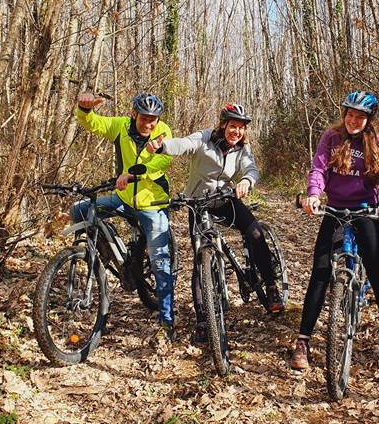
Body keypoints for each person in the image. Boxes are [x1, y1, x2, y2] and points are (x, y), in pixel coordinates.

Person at [146, 103, 284, 345]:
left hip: (226, 200)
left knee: (255, 234)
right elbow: (183, 144)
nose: (237, 132)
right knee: (201, 258)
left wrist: (247, 182)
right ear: (223, 125)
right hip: (198, 202)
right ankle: (202, 320)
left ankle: (271, 285)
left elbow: (251, 168)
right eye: (233, 126)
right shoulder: (205, 138)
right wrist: (162, 146)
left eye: (241, 128)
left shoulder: (243, 148)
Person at [290, 91, 379, 377]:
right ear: (344, 114)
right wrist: (314, 195)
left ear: (369, 119)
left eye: (360, 116)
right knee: (319, 271)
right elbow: (318, 169)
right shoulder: (331, 138)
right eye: (350, 114)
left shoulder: (378, 143)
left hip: (367, 211)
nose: (354, 120)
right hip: (335, 211)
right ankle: (302, 341)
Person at [71, 92, 176, 340]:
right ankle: (109, 254)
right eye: (144, 118)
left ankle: (167, 319)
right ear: (134, 114)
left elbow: (162, 163)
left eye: (153, 119)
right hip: (124, 197)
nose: (148, 124)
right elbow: (95, 124)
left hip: (152, 202)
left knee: (160, 261)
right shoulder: (121, 126)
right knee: (80, 210)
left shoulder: (163, 132)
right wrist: (84, 110)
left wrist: (132, 173)